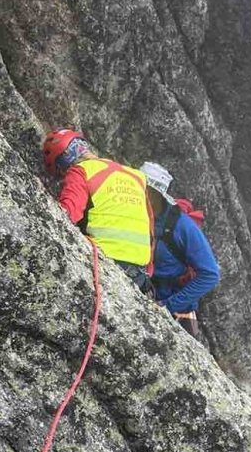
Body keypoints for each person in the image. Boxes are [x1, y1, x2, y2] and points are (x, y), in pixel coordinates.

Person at [42, 129, 154, 293]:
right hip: (140, 274)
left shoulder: (81, 171)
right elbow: (150, 230)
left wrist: (42, 197)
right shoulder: (136, 176)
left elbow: (68, 214)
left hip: (106, 263)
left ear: (63, 161)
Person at [139, 162, 220, 338]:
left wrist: (169, 305)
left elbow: (210, 274)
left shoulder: (182, 226)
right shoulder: (137, 213)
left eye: (144, 189)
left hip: (175, 305)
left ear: (156, 194)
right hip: (145, 291)